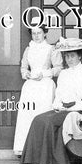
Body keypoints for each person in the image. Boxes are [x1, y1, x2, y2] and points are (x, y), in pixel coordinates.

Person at [19, 38, 82, 164]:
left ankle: (48, 163)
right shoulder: (64, 74)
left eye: (72, 56)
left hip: (77, 110)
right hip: (62, 108)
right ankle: (33, 160)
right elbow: (59, 94)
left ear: (79, 56)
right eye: (67, 57)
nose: (69, 60)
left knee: (49, 122)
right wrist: (57, 105)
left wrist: (69, 108)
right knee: (38, 119)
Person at [13, 18, 63, 156]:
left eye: (39, 33)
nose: (36, 36)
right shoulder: (28, 49)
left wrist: (45, 73)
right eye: (33, 33)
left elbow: (58, 68)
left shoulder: (51, 49)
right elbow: (23, 67)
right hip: (30, 87)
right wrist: (26, 73)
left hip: (45, 86)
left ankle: (43, 152)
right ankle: (27, 151)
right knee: (28, 116)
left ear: (45, 33)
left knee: (42, 116)